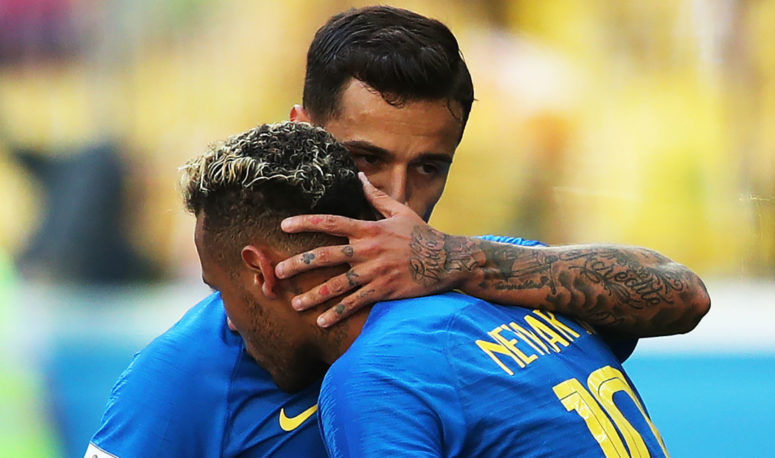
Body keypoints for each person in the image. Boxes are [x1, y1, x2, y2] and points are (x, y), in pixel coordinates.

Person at [86, 6, 708, 457]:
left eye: (429, 167)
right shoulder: (184, 374)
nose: (399, 198)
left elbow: (683, 294)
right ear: (303, 133)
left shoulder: (480, 280)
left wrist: (456, 260)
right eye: (365, 159)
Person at [182, 121, 670, 457]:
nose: (228, 322)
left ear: (260, 272)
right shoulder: (510, 290)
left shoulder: (371, 379)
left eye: (219, 290)